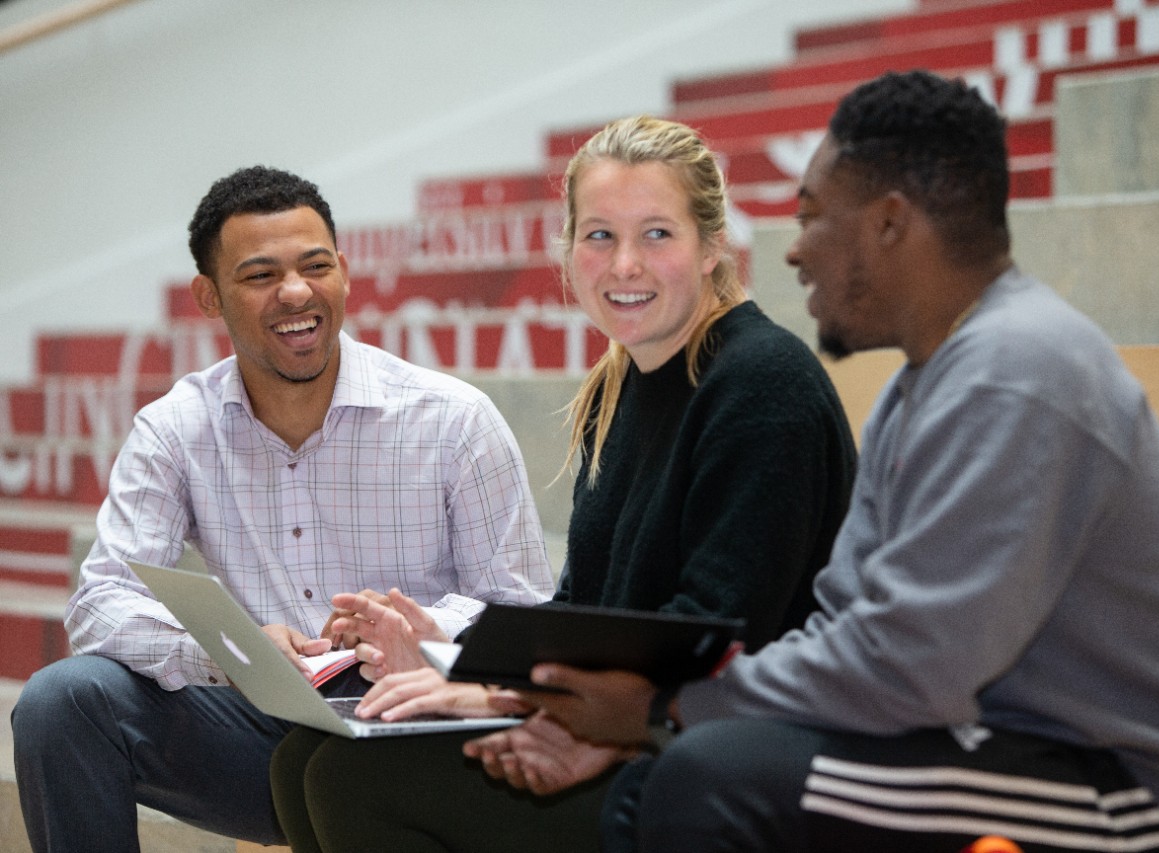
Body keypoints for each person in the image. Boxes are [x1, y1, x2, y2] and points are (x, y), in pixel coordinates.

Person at [486, 71, 1159, 853]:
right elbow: (845, 620)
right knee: (673, 777)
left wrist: (664, 707)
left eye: (814, 218)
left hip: (1154, 790)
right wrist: (648, 716)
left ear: (889, 225)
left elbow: (916, 666)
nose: (795, 252)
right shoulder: (919, 387)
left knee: (703, 779)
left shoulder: (1015, 370)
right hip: (998, 739)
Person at [268, 115, 859, 853]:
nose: (624, 265)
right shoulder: (622, 385)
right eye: (600, 235)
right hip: (631, 722)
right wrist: (450, 648)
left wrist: (495, 695)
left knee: (353, 778)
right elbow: (585, 609)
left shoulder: (762, 384)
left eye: (657, 234)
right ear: (570, 250)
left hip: (721, 756)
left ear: (713, 246)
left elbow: (713, 636)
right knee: (300, 758)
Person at [10, 165, 555, 852]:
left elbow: (524, 612)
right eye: (261, 274)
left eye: (315, 266)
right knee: (62, 702)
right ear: (209, 297)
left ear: (345, 274)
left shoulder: (454, 419)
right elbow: (100, 602)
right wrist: (231, 651)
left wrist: (421, 631)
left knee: (341, 770)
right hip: (261, 727)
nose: (296, 291)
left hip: (417, 727)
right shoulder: (176, 428)